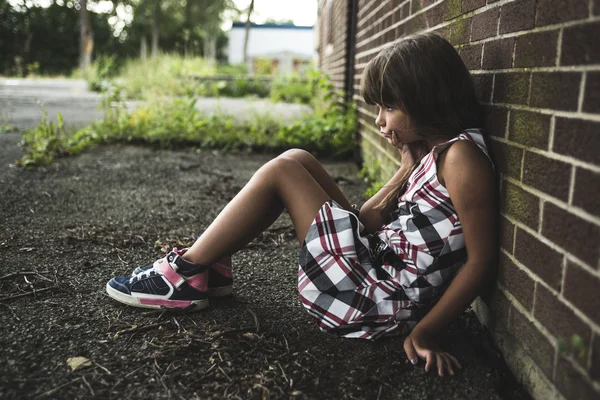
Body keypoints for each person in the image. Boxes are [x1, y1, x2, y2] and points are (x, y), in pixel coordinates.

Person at [106, 32, 497, 377]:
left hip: (378, 300)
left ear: (427, 100)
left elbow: (480, 261)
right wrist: (404, 169)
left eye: (389, 107)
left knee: (283, 172)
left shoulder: (462, 159)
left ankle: (185, 276)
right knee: (297, 157)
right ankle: (212, 267)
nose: (379, 120)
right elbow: (368, 219)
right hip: (377, 265)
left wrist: (425, 331)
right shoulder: (436, 153)